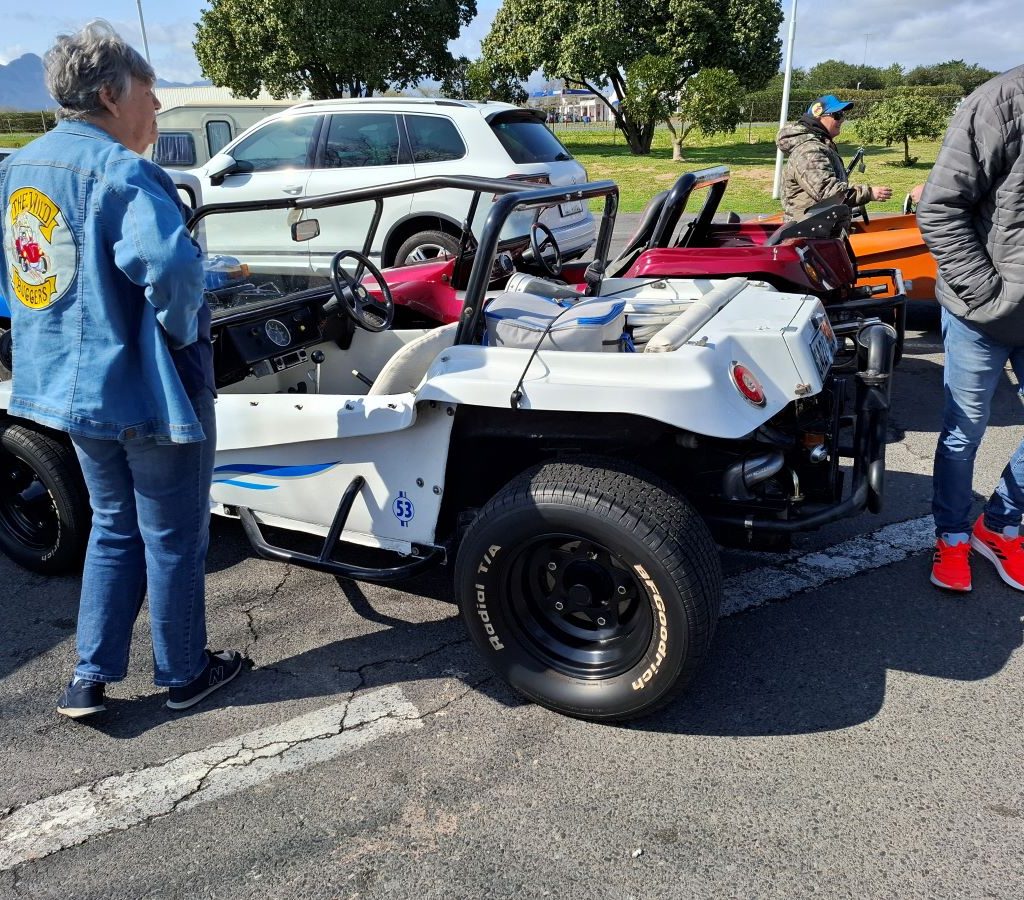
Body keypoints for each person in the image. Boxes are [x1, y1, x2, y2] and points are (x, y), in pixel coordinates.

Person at [0, 21, 243, 717]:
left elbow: (25, 275)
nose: (157, 109)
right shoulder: (125, 171)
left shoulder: (19, 166)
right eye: (150, 92)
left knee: (112, 524)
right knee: (174, 534)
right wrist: (178, 330)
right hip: (147, 390)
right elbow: (170, 270)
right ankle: (183, 674)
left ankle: (89, 677)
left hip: (61, 389)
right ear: (111, 94)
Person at [917, 64, 1024, 593]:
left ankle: (1000, 525)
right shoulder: (1001, 101)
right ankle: (953, 536)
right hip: (979, 311)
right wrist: (988, 294)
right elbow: (938, 210)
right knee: (965, 432)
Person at [776, 94, 892, 221]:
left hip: (819, 229)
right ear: (818, 116)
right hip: (810, 233)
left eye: (842, 115)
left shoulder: (819, 146)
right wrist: (868, 193)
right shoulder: (809, 151)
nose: (842, 120)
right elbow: (828, 192)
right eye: (837, 115)